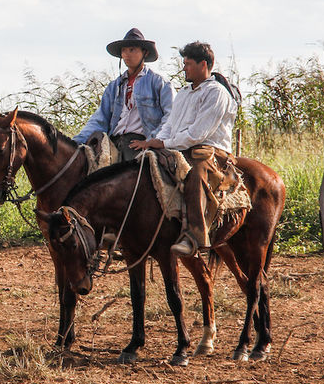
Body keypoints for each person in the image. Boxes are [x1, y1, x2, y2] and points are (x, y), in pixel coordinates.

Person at [133, 41, 238, 257]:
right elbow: (169, 125)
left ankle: (195, 236)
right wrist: (156, 141)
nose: (184, 68)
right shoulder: (183, 93)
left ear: (203, 64)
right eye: (184, 63)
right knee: (146, 165)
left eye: (188, 64)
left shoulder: (216, 93)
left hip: (211, 150)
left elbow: (198, 134)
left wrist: (163, 143)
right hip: (181, 147)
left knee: (196, 174)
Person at [73, 28, 174, 162]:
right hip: (113, 144)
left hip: (140, 144)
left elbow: (171, 116)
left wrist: (151, 140)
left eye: (132, 50)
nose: (127, 54)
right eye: (124, 50)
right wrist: (76, 142)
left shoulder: (159, 83)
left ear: (145, 52)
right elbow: (99, 119)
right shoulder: (114, 87)